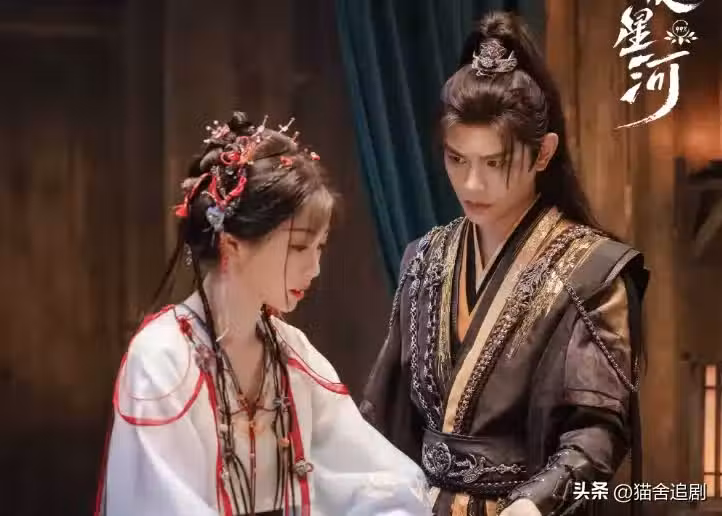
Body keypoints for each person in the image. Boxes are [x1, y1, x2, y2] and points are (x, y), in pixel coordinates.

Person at [360, 12, 649, 516]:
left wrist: (535, 502)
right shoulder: (424, 258)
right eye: (457, 159)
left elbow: (597, 430)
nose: (472, 184)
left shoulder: (591, 273)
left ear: (544, 153)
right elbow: (384, 413)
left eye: (495, 163)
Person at [94, 112, 432, 516]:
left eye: (320, 248)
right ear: (233, 244)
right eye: (298, 247)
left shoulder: (291, 352)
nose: (314, 269)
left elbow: (375, 477)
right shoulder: (163, 359)